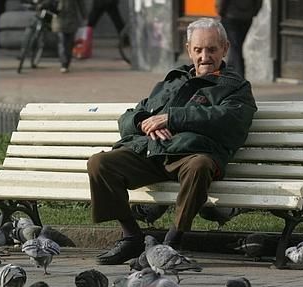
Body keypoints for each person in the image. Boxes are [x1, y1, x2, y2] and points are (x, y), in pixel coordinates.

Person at [87, 18, 257, 265]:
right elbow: (131, 115)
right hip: (152, 152)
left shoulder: (235, 87)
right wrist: (143, 122)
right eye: (198, 50)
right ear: (189, 49)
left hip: (192, 156)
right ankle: (132, 237)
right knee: (100, 163)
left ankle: (172, 243)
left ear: (225, 48)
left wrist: (171, 118)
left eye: (212, 49)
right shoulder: (173, 80)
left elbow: (230, 122)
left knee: (200, 165)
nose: (204, 56)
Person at [216, 0, 262, 77]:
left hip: (230, 15)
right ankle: (231, 72)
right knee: (236, 46)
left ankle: (237, 74)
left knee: (235, 46)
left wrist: (220, 11)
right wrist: (254, 12)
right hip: (246, 16)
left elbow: (222, 2)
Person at [52, 0, 86, 73]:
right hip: (59, 18)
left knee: (69, 43)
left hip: (71, 19)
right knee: (62, 41)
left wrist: (84, 16)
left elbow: (81, 4)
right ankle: (64, 64)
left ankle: (66, 62)